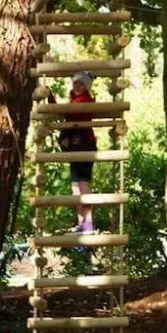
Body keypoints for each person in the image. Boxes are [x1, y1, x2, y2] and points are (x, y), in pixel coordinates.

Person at [57, 71, 97, 233]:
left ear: (86, 86)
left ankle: (88, 224)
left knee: (83, 183)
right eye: (76, 84)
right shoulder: (73, 102)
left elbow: (71, 113)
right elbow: (67, 115)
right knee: (75, 187)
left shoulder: (85, 101)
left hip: (85, 145)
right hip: (75, 147)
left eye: (81, 84)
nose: (78, 87)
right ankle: (82, 224)